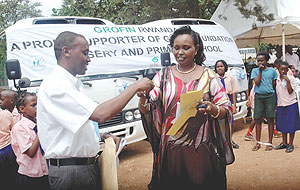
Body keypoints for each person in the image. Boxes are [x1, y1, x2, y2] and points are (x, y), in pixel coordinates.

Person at [37, 31, 154, 190]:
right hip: (72, 174)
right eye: (85, 53)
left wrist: (104, 136)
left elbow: (75, 126)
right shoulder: (56, 85)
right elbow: (101, 114)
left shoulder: (69, 84)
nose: (89, 58)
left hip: (82, 168)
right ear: (66, 51)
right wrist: (135, 86)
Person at [138, 26, 234, 190]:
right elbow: (150, 107)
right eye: (176, 48)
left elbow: (226, 109)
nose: (180, 52)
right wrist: (142, 99)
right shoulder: (163, 76)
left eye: (186, 47)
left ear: (196, 49)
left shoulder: (208, 76)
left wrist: (212, 109)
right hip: (170, 150)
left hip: (201, 150)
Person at [11, 91, 49, 189]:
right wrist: (41, 130)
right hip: (29, 176)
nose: (38, 108)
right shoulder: (19, 128)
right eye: (33, 105)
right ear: (22, 109)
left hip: (46, 172)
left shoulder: (39, 123)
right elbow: (31, 152)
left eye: (38, 104)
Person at [251, 52, 277, 151]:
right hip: (259, 97)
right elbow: (257, 83)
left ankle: (269, 143)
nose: (260, 62)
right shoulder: (255, 71)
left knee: (270, 119)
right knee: (258, 119)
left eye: (262, 60)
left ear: (266, 60)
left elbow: (274, 85)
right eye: (258, 61)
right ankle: (258, 143)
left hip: (270, 96)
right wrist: (260, 72)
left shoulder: (272, 71)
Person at [274, 61, 300, 153]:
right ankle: (284, 142)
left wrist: (288, 81)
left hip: (291, 104)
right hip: (281, 104)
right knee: (283, 125)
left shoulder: (291, 79)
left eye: (286, 69)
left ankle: (290, 143)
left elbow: (290, 91)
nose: (284, 71)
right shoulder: (277, 79)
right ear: (279, 70)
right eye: (282, 69)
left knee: (291, 125)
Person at [215, 59, 239, 149]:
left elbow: (234, 93)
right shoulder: (214, 79)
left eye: (221, 66)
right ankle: (220, 141)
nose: (219, 68)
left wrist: (234, 106)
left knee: (230, 122)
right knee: (219, 122)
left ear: (225, 67)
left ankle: (230, 140)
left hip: (228, 101)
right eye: (217, 67)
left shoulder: (230, 78)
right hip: (218, 102)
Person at [0, 109, 18, 189]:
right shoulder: (6, 114)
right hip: (8, 147)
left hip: (5, 148)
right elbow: (13, 129)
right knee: (11, 176)